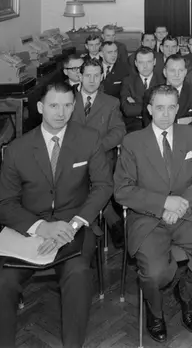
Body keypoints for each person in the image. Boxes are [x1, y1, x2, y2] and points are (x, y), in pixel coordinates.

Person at [0, 81, 113, 348]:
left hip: (74, 227)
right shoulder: (18, 149)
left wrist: (75, 223)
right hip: (28, 228)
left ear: (74, 107)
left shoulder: (89, 138)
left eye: (67, 105)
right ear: (41, 107)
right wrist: (41, 227)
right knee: (0, 284)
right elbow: (4, 205)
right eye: (54, 105)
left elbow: (103, 186)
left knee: (78, 274)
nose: (61, 112)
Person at [115, 85, 192, 343]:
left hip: (188, 212)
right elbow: (122, 190)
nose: (165, 114)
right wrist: (164, 203)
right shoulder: (133, 142)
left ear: (177, 109)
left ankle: (187, 294)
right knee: (155, 273)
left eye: (171, 108)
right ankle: (155, 311)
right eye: (160, 108)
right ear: (149, 109)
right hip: (148, 216)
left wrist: (181, 204)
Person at [71, 58, 126, 248]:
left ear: (102, 76)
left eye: (96, 75)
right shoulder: (67, 100)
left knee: (96, 181)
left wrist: (96, 148)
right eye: (88, 75)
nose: (92, 80)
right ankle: (110, 220)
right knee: (76, 180)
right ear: (80, 76)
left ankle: (90, 227)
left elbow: (119, 131)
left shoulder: (111, 102)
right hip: (71, 156)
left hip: (101, 156)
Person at [144, 55, 192, 137]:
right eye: (172, 70)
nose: (177, 74)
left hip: (188, 140)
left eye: (180, 70)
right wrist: (180, 122)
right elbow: (149, 125)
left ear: (185, 72)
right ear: (165, 72)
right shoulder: (151, 93)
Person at [120, 47, 166, 132]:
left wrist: (136, 103)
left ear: (154, 62)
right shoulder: (128, 81)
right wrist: (155, 107)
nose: (145, 66)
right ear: (136, 63)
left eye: (149, 62)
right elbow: (128, 110)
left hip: (159, 124)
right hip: (134, 126)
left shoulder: (163, 81)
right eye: (141, 62)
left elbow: (165, 109)